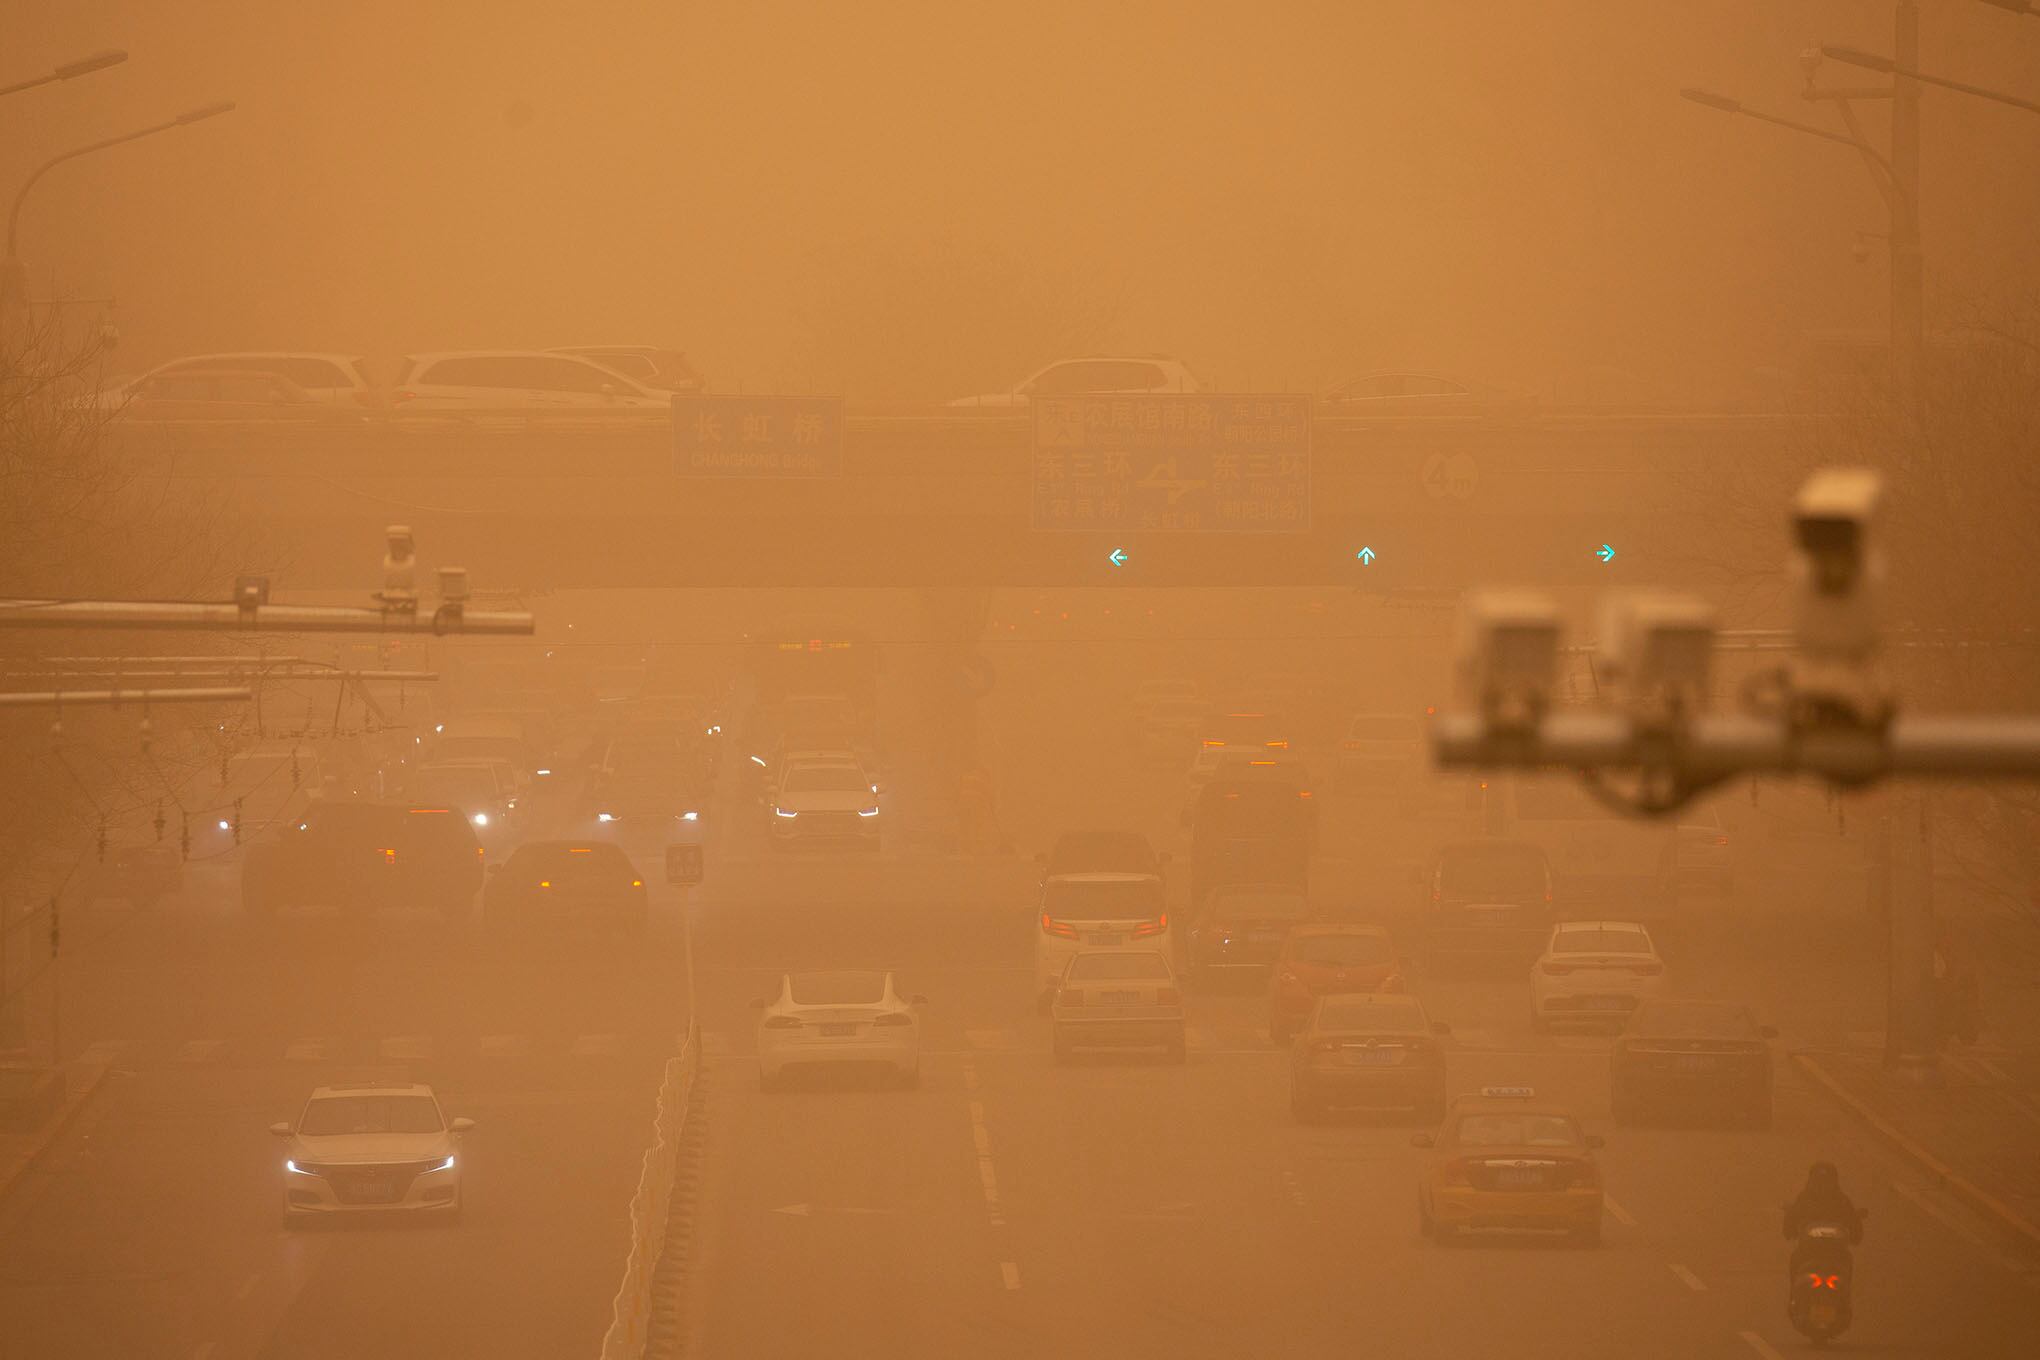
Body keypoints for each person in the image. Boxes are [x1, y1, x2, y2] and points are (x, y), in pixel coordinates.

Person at [1784, 1162, 1864, 1245]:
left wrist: (1855, 1224)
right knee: (1796, 1257)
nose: (1822, 1185)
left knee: (1847, 1257)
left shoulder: (1841, 1200)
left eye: (1827, 1181)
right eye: (1818, 1180)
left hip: (1837, 1249)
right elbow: (1794, 1214)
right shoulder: (1804, 1198)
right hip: (1808, 1247)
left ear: (1834, 1181)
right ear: (1811, 1180)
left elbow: (1851, 1216)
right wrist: (1790, 1225)